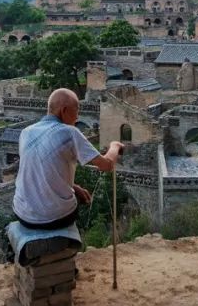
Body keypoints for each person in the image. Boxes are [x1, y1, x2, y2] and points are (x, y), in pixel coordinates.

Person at [12, 88, 122, 230]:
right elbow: (106, 165)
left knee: (75, 193)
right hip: (53, 218)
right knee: (80, 204)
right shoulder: (69, 132)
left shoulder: (26, 132)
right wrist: (115, 146)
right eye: (76, 111)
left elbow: (42, 171)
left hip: (22, 214)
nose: (77, 118)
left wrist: (74, 187)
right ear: (64, 110)